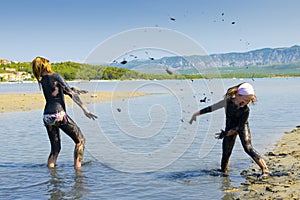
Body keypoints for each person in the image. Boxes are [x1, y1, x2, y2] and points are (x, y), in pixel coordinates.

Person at [189, 82, 270, 177]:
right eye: (246, 100)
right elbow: (212, 108)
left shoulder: (245, 110)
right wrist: (196, 114)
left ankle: (265, 169)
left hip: (241, 127)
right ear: (238, 95)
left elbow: (239, 128)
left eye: (249, 101)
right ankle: (224, 173)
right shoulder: (227, 102)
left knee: (248, 148)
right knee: (226, 152)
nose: (247, 103)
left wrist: (226, 133)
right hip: (229, 128)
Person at [31, 56, 97, 169]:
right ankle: (78, 171)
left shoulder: (42, 80)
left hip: (47, 117)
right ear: (46, 65)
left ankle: (52, 176)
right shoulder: (56, 76)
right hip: (59, 114)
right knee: (80, 141)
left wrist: (72, 89)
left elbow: (56, 90)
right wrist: (85, 109)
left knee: (55, 149)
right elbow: (71, 94)